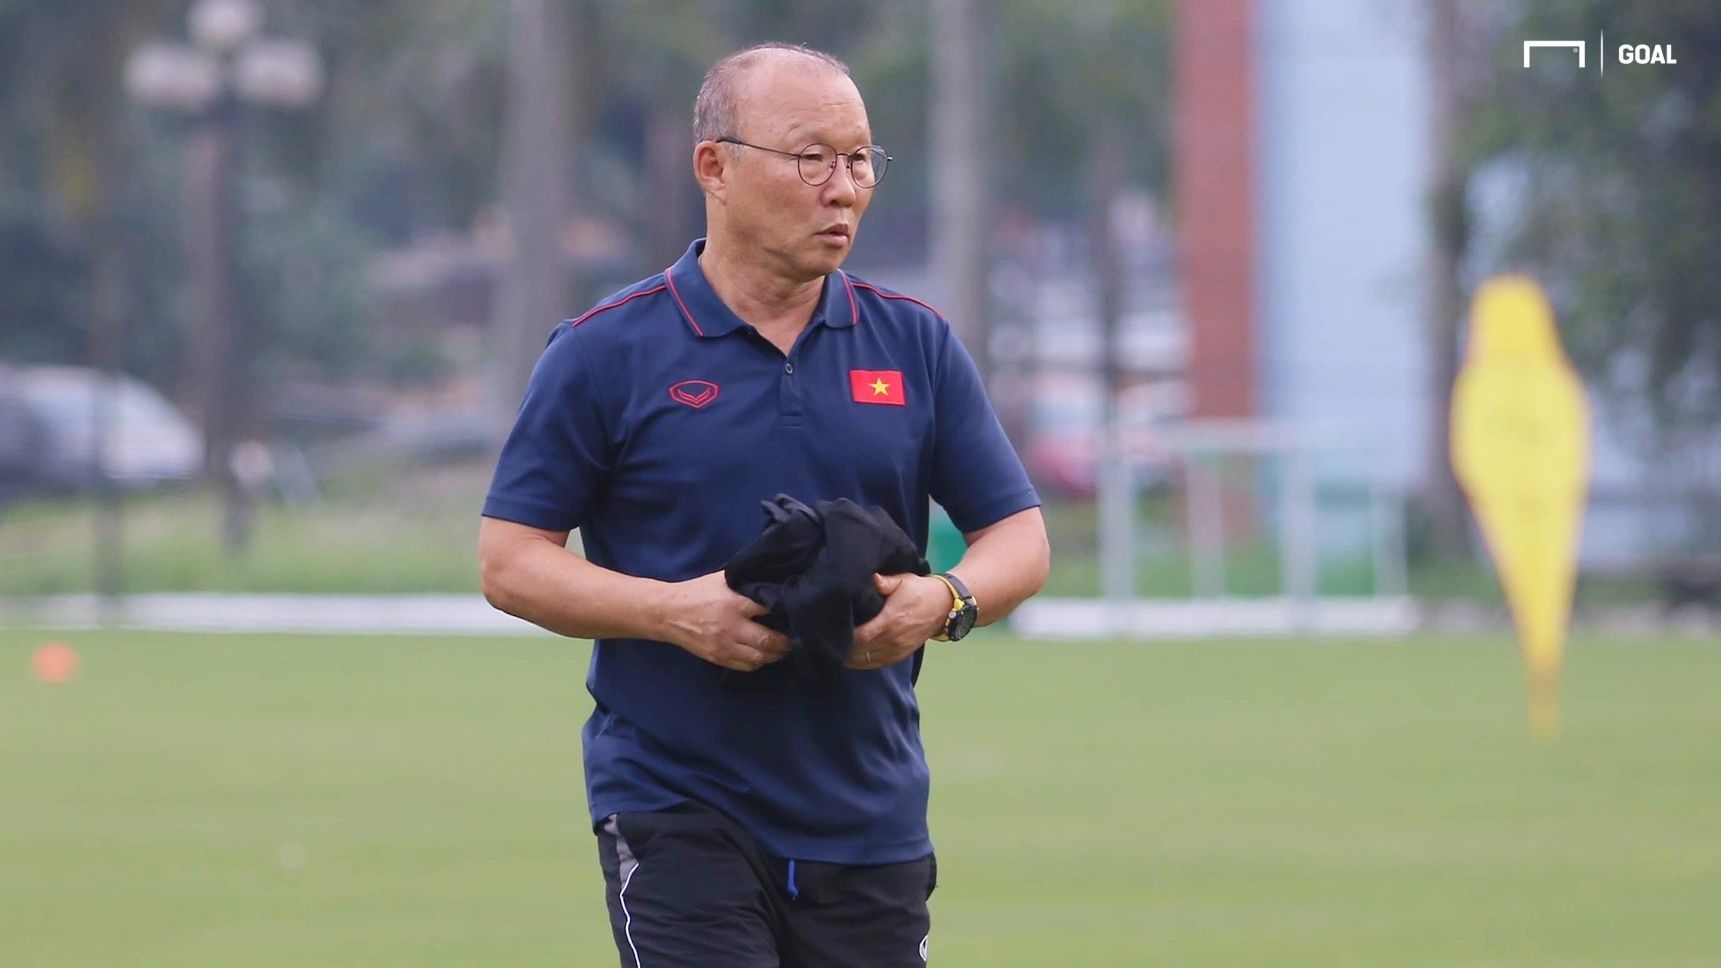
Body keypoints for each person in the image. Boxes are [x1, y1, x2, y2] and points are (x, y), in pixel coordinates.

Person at [479, 41, 1049, 967]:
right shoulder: (602, 350)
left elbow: (1017, 536)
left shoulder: (916, 344)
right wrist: (675, 614)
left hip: (869, 818)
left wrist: (942, 603)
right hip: (676, 809)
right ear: (716, 168)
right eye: (810, 157)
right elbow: (509, 560)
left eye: (860, 158)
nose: (844, 187)